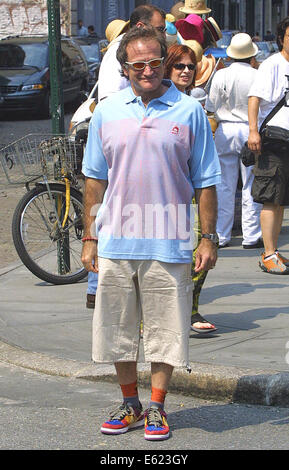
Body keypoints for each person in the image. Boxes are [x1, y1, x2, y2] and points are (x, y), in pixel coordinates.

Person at [81, 26, 221, 440]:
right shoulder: (106, 111)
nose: (147, 71)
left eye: (154, 63)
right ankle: (130, 403)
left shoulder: (189, 110)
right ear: (123, 68)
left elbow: (207, 180)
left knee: (168, 331)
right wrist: (90, 236)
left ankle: (157, 406)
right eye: (137, 64)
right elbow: (94, 178)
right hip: (116, 240)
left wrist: (208, 237)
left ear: (165, 63)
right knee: (116, 330)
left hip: (171, 240)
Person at [86, 5, 167, 309]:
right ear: (142, 27)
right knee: (110, 204)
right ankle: (98, 284)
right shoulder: (124, 55)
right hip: (119, 131)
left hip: (126, 126)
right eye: (158, 28)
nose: (162, 33)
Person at [164, 44, 217, 334]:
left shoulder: (193, 103)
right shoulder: (158, 103)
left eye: (190, 66)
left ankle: (189, 308)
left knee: (205, 247)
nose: (186, 71)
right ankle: (153, 317)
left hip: (193, 191)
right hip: (162, 196)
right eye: (179, 66)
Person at [205, 33, 263, 250]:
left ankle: (222, 234)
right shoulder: (258, 75)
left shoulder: (222, 75)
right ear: (251, 55)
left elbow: (211, 107)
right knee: (250, 184)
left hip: (226, 129)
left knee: (224, 185)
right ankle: (251, 235)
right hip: (251, 129)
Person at [248, 17, 289, 274]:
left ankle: (272, 253)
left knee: (281, 199)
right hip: (273, 139)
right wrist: (253, 131)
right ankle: (269, 253)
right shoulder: (273, 64)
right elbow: (255, 98)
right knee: (270, 197)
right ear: (281, 38)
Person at [98, 4, 166, 102]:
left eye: (155, 62)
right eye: (159, 29)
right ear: (140, 26)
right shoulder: (118, 50)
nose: (163, 35)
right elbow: (109, 96)